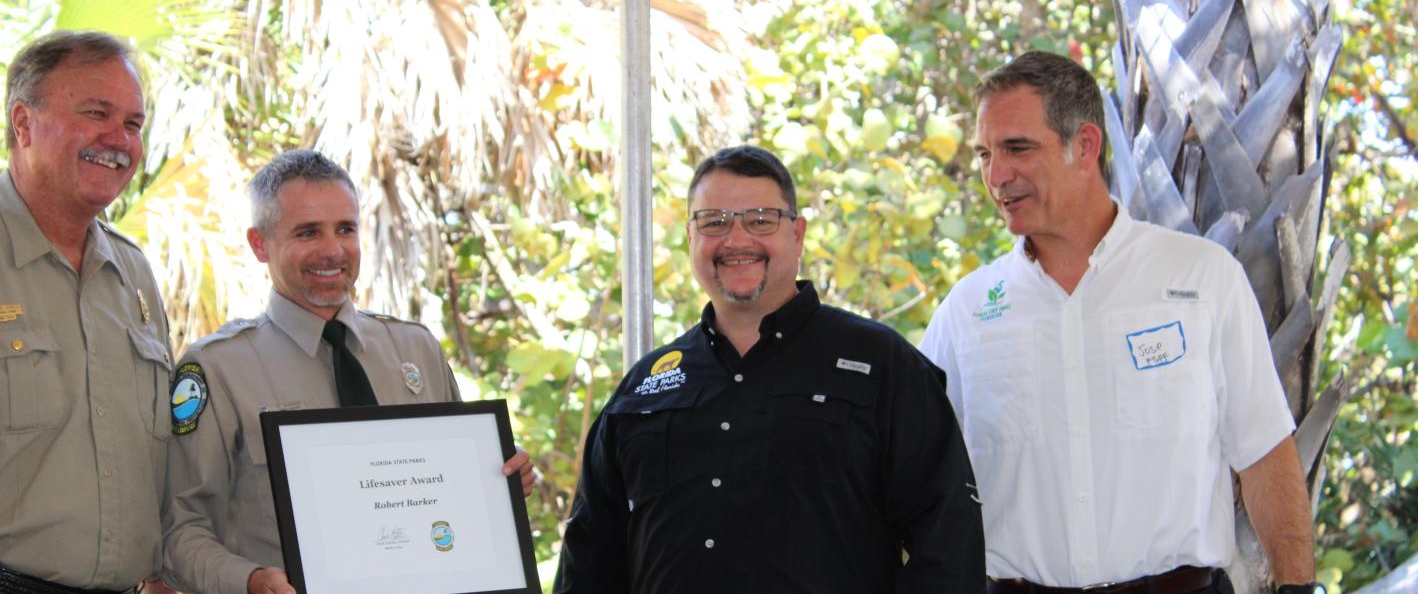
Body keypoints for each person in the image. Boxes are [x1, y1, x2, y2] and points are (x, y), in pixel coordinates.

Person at [918, 51, 1319, 593]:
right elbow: (914, 477)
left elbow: (1265, 453)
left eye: (1017, 148)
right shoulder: (965, 312)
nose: (996, 175)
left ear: (1084, 146)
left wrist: (1299, 588)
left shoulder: (1203, 278)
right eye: (985, 154)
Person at [555, 145, 984, 593]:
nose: (737, 239)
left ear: (797, 234)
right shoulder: (645, 387)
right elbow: (590, 556)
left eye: (761, 219)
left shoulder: (882, 364)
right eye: (714, 221)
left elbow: (948, 541)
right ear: (690, 237)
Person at [160, 150, 534, 594]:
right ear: (260, 244)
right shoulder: (216, 370)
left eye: (346, 229)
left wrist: (504, 479)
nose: (333, 250)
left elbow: (458, 494)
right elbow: (179, 530)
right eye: (307, 232)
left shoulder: (415, 348)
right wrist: (251, 581)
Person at [0, 30, 174, 593]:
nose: (119, 139)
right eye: (96, 113)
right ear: (23, 123)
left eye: (133, 123)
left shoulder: (134, 275)